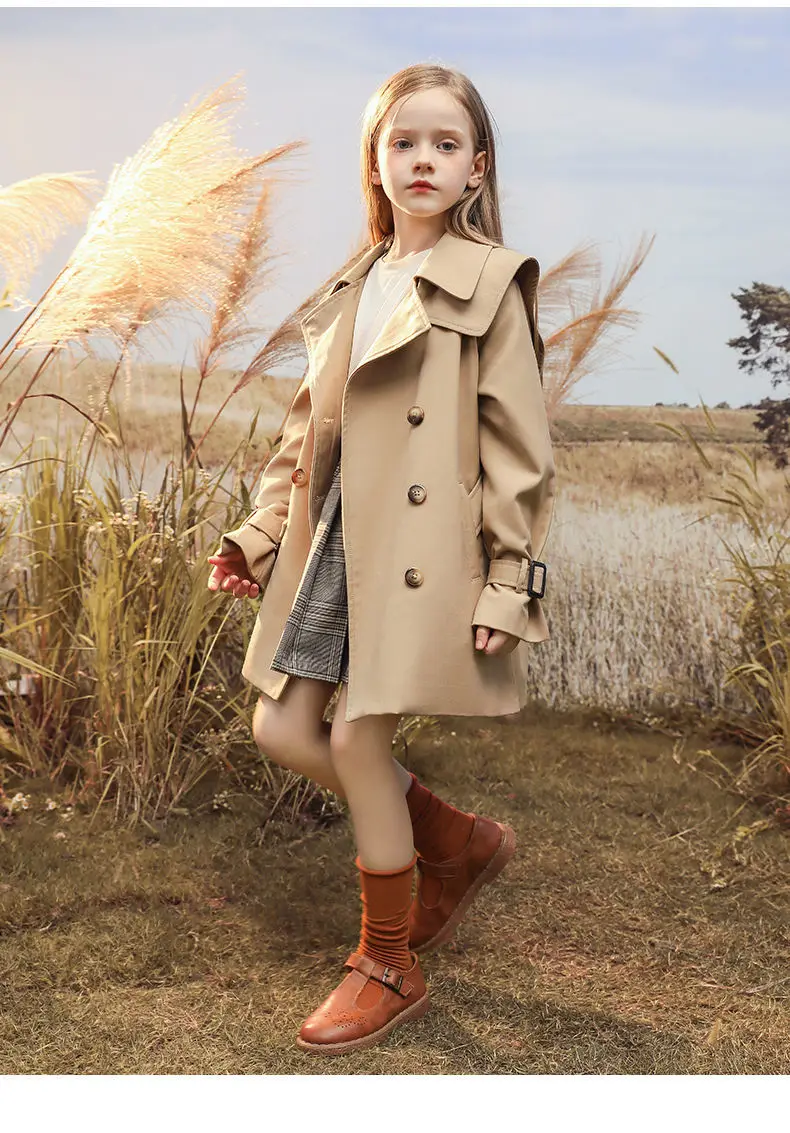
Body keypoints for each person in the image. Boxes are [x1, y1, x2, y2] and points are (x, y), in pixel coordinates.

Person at [207, 62, 556, 1056]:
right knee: (282, 725)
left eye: (446, 144)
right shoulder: (353, 283)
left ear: (476, 168)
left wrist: (508, 583)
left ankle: (389, 962)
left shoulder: (492, 283)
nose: (423, 160)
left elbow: (519, 451)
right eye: (404, 142)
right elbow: (303, 430)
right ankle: (451, 837)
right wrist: (260, 534)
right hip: (331, 540)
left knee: (358, 741)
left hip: (418, 550)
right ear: (375, 160)